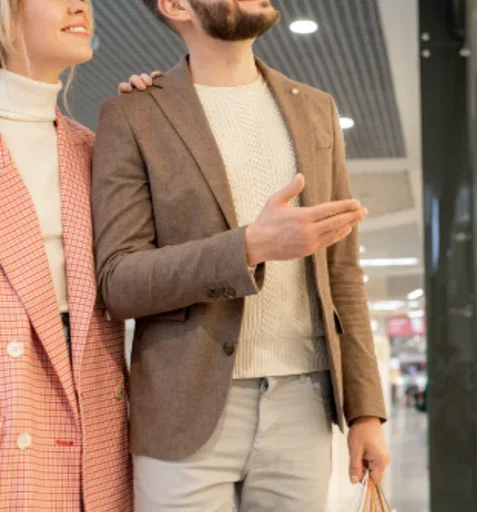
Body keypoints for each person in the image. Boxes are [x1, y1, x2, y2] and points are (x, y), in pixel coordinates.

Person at [91, 0, 391, 510]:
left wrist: (366, 411)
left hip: (304, 402)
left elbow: (342, 272)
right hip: (183, 409)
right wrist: (249, 247)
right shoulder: (133, 114)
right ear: (176, 6)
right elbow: (120, 281)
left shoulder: (316, 109)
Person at [0, 0, 154, 509]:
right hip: (14, 401)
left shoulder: (92, 148)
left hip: (92, 411)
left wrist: (154, 123)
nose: (79, 6)